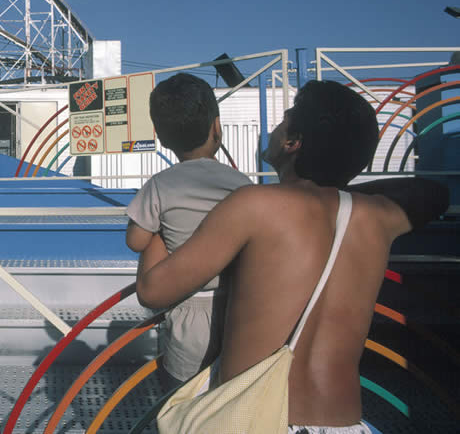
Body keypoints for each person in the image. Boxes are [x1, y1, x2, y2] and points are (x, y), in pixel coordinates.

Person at [137, 80, 449, 433]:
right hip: (343, 423)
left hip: (254, 421)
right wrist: (336, 187)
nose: (271, 130)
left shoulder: (254, 205)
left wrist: (157, 227)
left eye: (282, 121)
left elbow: (152, 291)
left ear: (292, 142)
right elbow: (433, 192)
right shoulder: (378, 217)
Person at [126, 73, 252, 391]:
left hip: (189, 313)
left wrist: (159, 232)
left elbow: (136, 240)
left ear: (161, 137)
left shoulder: (161, 184)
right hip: (241, 308)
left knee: (183, 400)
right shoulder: (243, 184)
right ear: (217, 127)